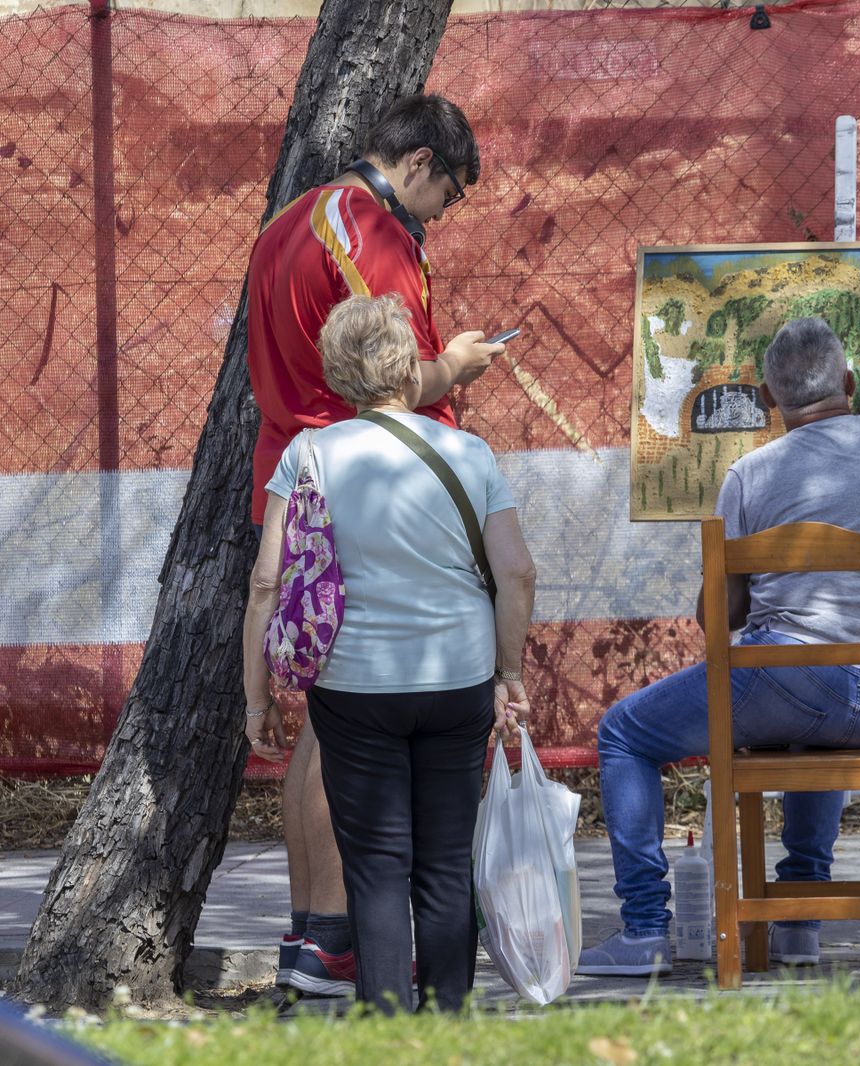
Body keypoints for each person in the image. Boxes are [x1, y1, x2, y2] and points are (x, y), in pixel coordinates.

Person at [577, 315, 860, 977]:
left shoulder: (749, 476)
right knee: (810, 719)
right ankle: (797, 922)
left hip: (794, 685)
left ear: (767, 398)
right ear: (848, 382)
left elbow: (720, 621)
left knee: (622, 732)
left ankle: (645, 929)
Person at [243, 93, 507, 996]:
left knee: (318, 725)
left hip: (294, 473)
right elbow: (391, 378)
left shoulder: (289, 217)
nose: (444, 217)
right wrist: (459, 365)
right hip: (356, 481)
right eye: (452, 196)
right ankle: (331, 940)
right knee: (336, 724)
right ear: (423, 163)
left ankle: (314, 930)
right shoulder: (374, 233)